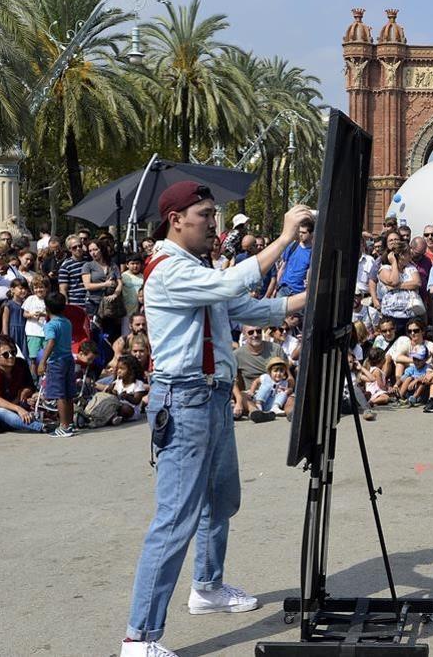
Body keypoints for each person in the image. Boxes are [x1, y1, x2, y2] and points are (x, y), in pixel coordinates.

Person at [120, 182, 311, 657]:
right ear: (176, 219)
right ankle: (138, 639)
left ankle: (206, 587)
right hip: (184, 400)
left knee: (220, 499)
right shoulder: (167, 269)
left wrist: (305, 300)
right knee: (174, 519)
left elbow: (243, 307)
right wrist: (285, 237)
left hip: (211, 397)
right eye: (205, 214)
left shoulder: (192, 267)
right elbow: (231, 286)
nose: (213, 222)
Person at [37, 292, 76, 437]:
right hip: (68, 359)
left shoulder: (50, 325)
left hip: (56, 362)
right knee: (68, 394)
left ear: (47, 308)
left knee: (59, 394)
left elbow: (51, 342)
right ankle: (70, 423)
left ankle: (63, 426)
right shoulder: (66, 322)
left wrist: (43, 361)